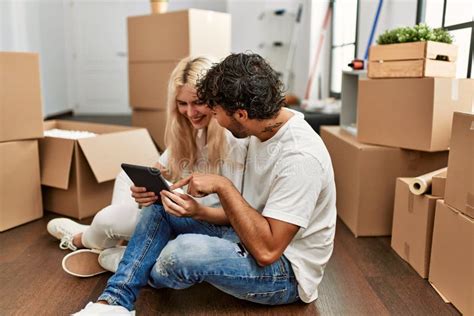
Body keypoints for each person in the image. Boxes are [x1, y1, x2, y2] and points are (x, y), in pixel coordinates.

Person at [73, 53, 337, 315]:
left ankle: (132, 263)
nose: (211, 115)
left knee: (180, 253)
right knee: (160, 207)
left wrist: (223, 186)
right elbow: (244, 216)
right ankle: (115, 301)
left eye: (215, 110)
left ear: (241, 114)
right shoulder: (261, 127)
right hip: (245, 233)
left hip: (285, 270)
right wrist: (192, 205)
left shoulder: (300, 157)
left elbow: (267, 251)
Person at [47, 56, 247, 277]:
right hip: (180, 209)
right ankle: (117, 246)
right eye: (182, 104)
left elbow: (240, 214)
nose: (190, 113)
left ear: (214, 100)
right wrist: (143, 191)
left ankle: (83, 240)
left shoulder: (234, 140)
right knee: (126, 176)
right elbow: (156, 171)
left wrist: (196, 210)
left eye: (198, 102)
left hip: (207, 223)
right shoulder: (193, 132)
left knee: (106, 219)